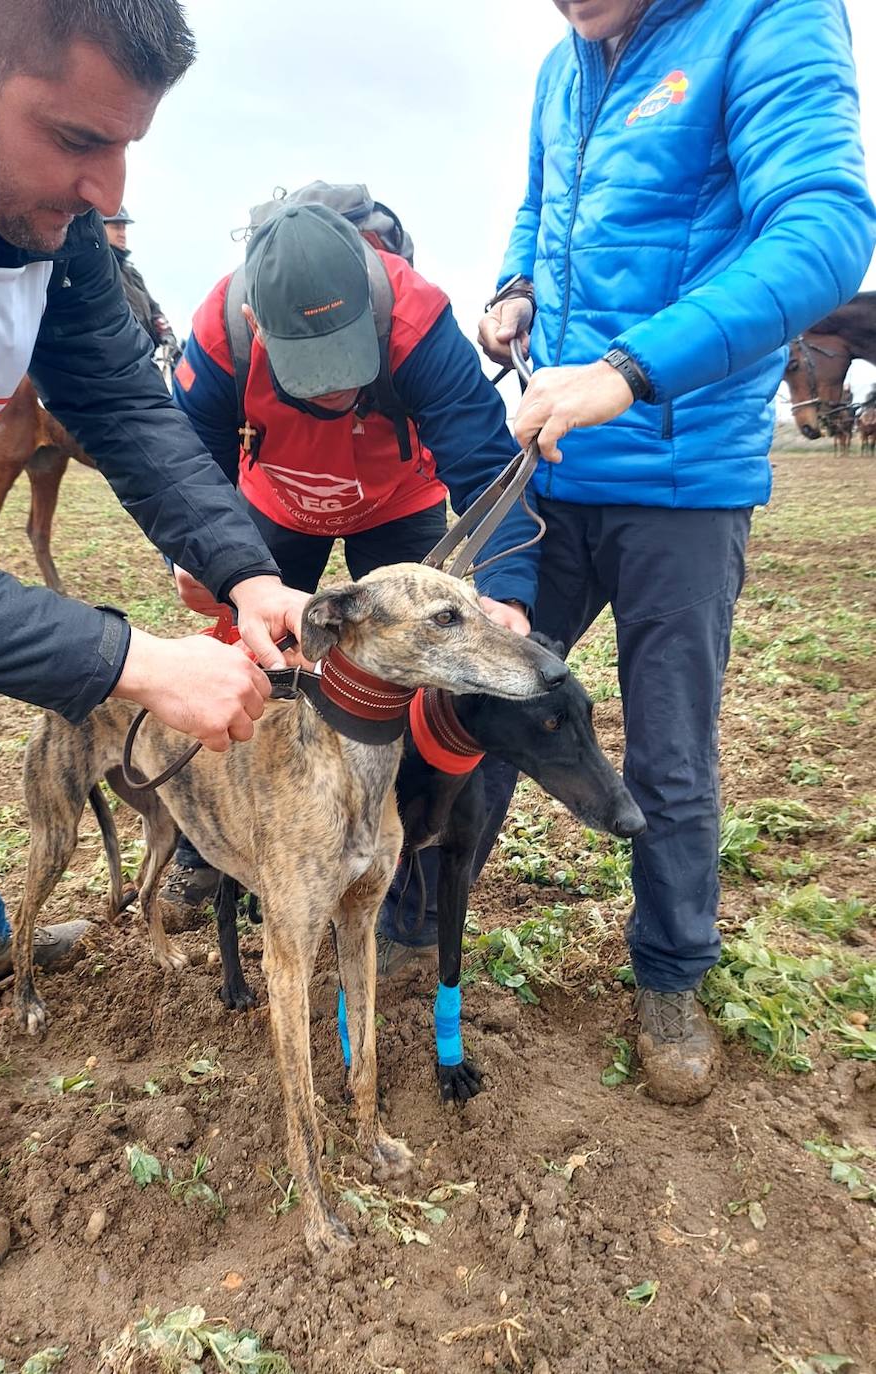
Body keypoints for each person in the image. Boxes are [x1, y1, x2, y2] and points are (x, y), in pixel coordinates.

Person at [0, 0, 309, 1280]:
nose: (104, 191)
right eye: (73, 140)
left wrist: (242, 569)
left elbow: (119, 401)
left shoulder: (54, 222)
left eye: (126, 150)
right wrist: (131, 661)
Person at [477, 0, 875, 1104]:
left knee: (666, 752)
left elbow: (821, 231)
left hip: (680, 484)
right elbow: (541, 210)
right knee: (476, 705)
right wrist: (513, 285)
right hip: (548, 475)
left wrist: (628, 368)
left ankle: (667, 973)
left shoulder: (769, 20)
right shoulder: (568, 58)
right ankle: (419, 928)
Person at [167, 201, 538, 921]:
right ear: (255, 327)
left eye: (346, 364)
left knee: (402, 676)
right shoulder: (218, 335)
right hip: (273, 509)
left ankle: (378, 846)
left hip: (396, 503)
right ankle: (207, 854)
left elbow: (487, 470)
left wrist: (509, 597)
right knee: (254, 666)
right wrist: (202, 557)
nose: (333, 389)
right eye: (310, 372)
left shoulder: (419, 322)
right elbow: (184, 466)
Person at [102, 203, 180, 355]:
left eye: (124, 228)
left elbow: (154, 310)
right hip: (123, 360)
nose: (122, 233)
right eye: (116, 227)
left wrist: (167, 336)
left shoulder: (132, 274)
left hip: (150, 357)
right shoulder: (100, 273)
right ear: (100, 228)